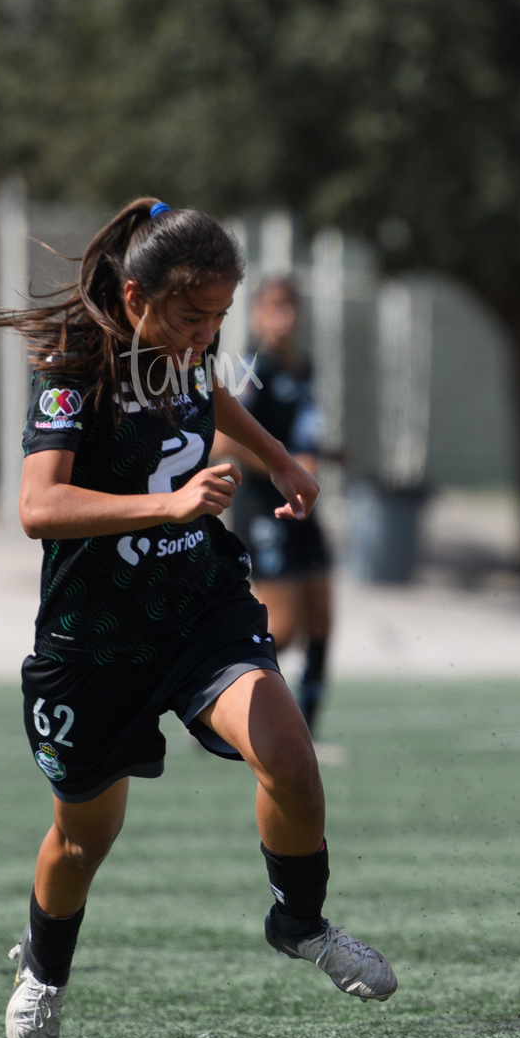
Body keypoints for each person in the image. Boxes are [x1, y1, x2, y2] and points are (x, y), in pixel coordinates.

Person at [0, 200, 395, 1038]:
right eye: (193, 316)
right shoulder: (72, 375)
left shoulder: (192, 359)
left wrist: (279, 458)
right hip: (94, 643)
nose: (207, 335)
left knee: (288, 750)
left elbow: (213, 395)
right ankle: (44, 969)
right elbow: (37, 507)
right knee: (84, 838)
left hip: (200, 611)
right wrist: (165, 503)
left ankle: (299, 921)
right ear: (135, 299)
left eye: (220, 318)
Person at [211, 277, 336, 735]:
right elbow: (222, 441)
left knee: (321, 619)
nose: (284, 316)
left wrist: (323, 456)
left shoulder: (302, 368)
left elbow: (298, 434)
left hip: (302, 508)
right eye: (274, 307)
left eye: (291, 306)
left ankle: (307, 731)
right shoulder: (251, 369)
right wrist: (283, 466)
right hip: (266, 509)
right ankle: (222, 703)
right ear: (257, 314)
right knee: (281, 629)